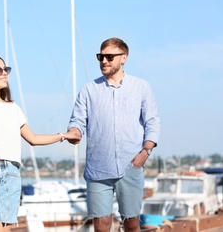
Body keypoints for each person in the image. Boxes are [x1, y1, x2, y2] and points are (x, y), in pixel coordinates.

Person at [0, 55, 79, 232]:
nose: (4, 74)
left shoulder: (13, 108)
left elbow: (33, 139)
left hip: (10, 173)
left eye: (6, 70)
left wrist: (64, 135)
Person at [67, 37, 160, 232]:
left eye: (109, 57)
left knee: (132, 223)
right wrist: (74, 132)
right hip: (98, 168)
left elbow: (152, 121)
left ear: (123, 58)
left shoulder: (141, 87)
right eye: (101, 57)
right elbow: (77, 121)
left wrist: (146, 152)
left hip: (131, 165)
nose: (104, 61)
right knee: (101, 226)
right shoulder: (88, 90)